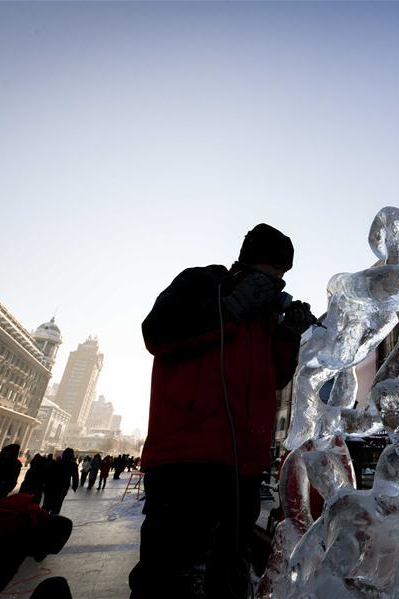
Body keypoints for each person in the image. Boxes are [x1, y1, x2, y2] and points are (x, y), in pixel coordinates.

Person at [129, 223, 314, 599]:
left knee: (228, 578)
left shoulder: (264, 319)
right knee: (172, 580)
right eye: (273, 275)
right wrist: (230, 306)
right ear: (248, 264)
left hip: (243, 471)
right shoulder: (203, 283)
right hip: (187, 464)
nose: (276, 286)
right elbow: (157, 332)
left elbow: (275, 380)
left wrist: (287, 334)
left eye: (281, 279)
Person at [43, 448, 79, 515]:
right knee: (57, 506)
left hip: (51, 486)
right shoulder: (73, 465)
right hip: (62, 488)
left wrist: (44, 485)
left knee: (46, 505)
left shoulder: (55, 463)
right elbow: (75, 477)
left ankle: (42, 519)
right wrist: (75, 486)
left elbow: (47, 474)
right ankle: (51, 520)